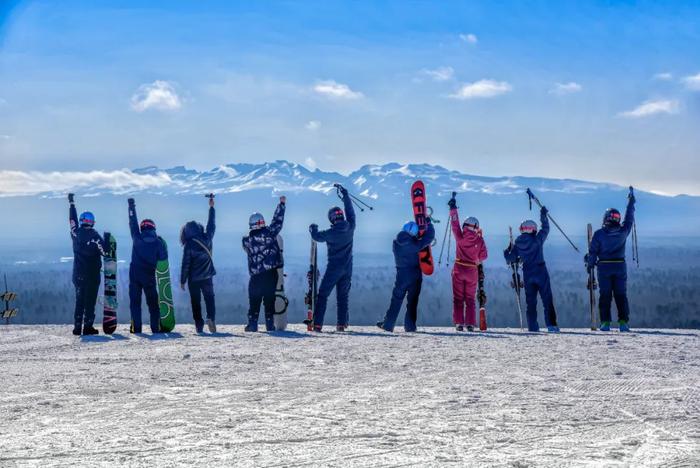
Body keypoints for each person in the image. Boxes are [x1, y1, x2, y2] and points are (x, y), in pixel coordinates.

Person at [504, 206, 559, 333]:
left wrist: (507, 250)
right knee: (547, 299)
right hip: (540, 270)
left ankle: (533, 327)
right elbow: (546, 229)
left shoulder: (518, 244)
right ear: (533, 229)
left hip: (527, 273)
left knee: (531, 303)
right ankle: (551, 326)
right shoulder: (537, 240)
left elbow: (510, 258)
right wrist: (543, 216)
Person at [586, 190, 636, 332]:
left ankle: (605, 323)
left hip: (604, 267)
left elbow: (593, 252)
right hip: (620, 266)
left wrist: (589, 264)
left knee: (605, 295)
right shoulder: (623, 232)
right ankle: (623, 323)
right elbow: (629, 218)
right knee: (621, 295)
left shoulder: (599, 234)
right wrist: (631, 203)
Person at [309, 185, 356, 332]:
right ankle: (341, 325)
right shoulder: (351, 226)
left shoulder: (331, 232)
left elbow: (316, 237)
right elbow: (351, 212)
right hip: (347, 268)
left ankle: (317, 325)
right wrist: (346, 195)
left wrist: (313, 228)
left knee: (323, 295)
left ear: (332, 218)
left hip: (333, 269)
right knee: (343, 297)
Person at [377, 219, 435, 332]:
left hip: (401, 275)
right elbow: (429, 238)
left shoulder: (396, 243)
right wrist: (429, 224)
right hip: (415, 276)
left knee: (396, 300)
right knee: (412, 302)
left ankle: (388, 324)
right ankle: (410, 326)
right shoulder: (415, 244)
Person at [242, 196, 286, 332]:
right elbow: (277, 222)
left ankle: (253, 323)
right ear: (262, 223)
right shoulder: (270, 233)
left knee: (254, 301)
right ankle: (269, 324)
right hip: (271, 274)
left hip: (255, 276)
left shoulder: (246, 241)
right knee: (269, 300)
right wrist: (281, 205)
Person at [68, 193, 108, 336]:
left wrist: (71, 204)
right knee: (89, 302)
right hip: (92, 276)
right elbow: (105, 252)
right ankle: (88, 327)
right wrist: (107, 241)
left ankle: (77, 327)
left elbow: (72, 221)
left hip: (78, 274)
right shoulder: (95, 237)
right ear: (91, 222)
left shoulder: (75, 234)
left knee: (79, 301)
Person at [448, 195, 488, 332]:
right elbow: (484, 256)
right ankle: (470, 324)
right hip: (472, 271)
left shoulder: (460, 237)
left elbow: (454, 224)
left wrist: (453, 209)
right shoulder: (479, 240)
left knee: (458, 298)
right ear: (476, 227)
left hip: (459, 268)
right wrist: (477, 258)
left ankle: (459, 323)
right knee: (470, 298)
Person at [127, 197, 167, 334]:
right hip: (149, 276)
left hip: (135, 275)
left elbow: (132, 223)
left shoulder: (136, 238)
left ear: (142, 227)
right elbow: (163, 258)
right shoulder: (158, 243)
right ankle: (155, 328)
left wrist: (131, 206)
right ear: (153, 228)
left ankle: (136, 328)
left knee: (135, 303)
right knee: (153, 304)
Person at [180, 196, 217, 333]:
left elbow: (186, 264)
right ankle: (211, 318)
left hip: (193, 279)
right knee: (209, 299)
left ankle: (199, 325)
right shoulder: (207, 238)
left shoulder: (188, 245)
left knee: (195, 302)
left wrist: (183, 280)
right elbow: (211, 224)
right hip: (207, 276)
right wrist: (211, 208)